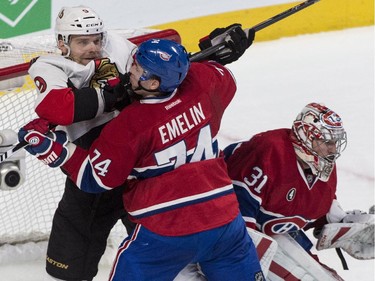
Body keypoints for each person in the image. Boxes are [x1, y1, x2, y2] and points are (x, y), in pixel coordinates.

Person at [19, 36, 265, 280]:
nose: (130, 70)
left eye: (137, 67)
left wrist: (53, 148)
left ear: (153, 83)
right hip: (225, 221)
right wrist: (211, 51)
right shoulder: (203, 82)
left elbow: (95, 178)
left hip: (168, 232)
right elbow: (220, 74)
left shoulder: (130, 125)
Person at [28, 6, 137, 280]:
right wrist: (115, 94)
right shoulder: (49, 65)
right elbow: (57, 108)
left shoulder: (115, 46)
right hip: (90, 175)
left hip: (137, 167)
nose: (92, 47)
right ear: (62, 43)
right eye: (83, 42)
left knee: (163, 247)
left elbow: (154, 71)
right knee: (68, 266)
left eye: (96, 40)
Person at [222, 102, 374, 280]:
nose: (333, 149)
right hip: (224, 234)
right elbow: (235, 215)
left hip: (269, 234)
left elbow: (303, 209)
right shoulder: (269, 151)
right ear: (305, 136)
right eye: (327, 142)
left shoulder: (323, 169)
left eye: (335, 142)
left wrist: (341, 223)